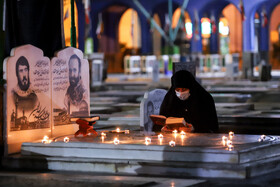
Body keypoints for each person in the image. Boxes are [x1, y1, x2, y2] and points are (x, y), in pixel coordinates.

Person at [154, 70, 219, 133]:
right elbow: (162, 120)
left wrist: (195, 128)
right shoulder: (170, 99)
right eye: (177, 89)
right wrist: (163, 128)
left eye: (184, 89)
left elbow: (211, 125)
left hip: (199, 139)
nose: (180, 92)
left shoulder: (204, 98)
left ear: (191, 87)